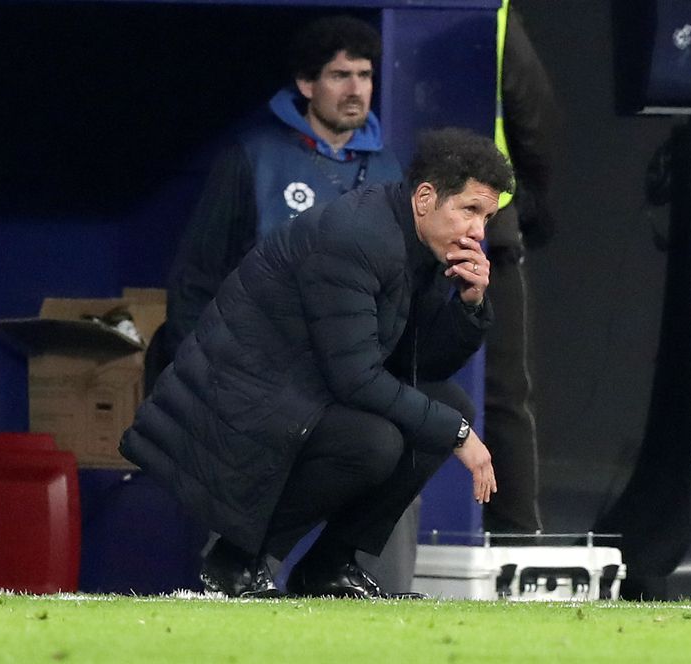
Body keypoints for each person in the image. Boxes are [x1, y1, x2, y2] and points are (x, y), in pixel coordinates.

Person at [120, 128, 514, 599]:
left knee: (447, 405)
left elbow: (421, 366)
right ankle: (236, 558)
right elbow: (356, 379)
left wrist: (469, 306)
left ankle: (329, 566)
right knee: (376, 441)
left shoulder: (421, 243)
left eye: (487, 217)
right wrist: (458, 435)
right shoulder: (357, 237)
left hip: (301, 393)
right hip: (238, 403)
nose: (478, 232)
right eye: (470, 210)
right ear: (426, 197)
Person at [144, 14, 418, 591]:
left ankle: (345, 575)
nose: (356, 89)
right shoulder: (253, 158)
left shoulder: (391, 170)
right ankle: (234, 573)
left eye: (365, 75)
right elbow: (196, 277)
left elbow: (402, 289)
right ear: (305, 84)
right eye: (340, 75)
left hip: (344, 375)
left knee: (422, 422)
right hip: (255, 373)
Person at [481, 0, 558, 535]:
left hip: (412, 221)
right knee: (504, 396)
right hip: (492, 226)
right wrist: (531, 198)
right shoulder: (497, 12)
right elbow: (536, 119)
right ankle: (515, 541)